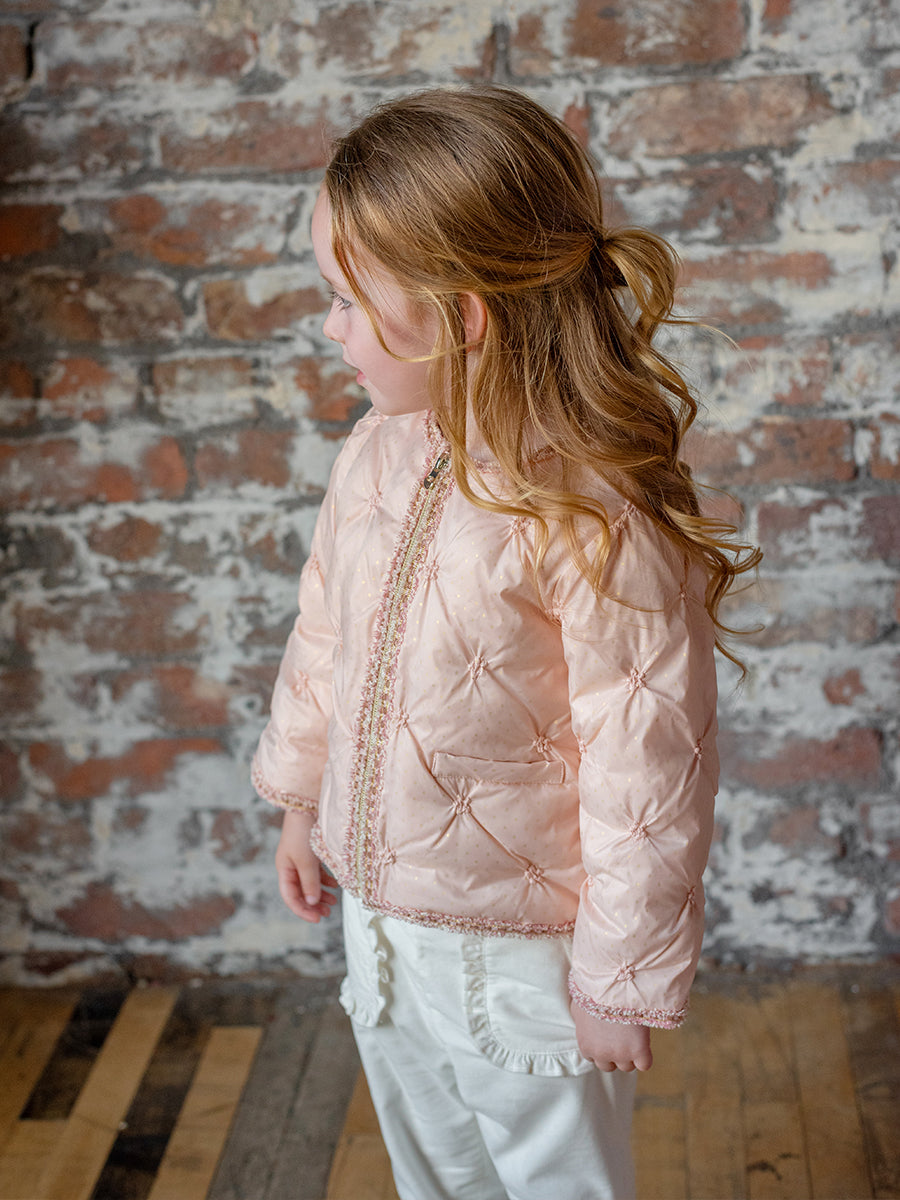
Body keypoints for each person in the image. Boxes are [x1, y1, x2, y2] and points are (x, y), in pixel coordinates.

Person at [252, 86, 760, 1200]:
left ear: (462, 314)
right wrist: (299, 800)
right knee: (434, 1172)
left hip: (524, 953)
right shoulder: (375, 453)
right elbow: (326, 635)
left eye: (347, 300)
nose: (331, 328)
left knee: (555, 1179)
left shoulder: (592, 512)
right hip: (383, 927)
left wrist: (620, 978)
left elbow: (647, 765)